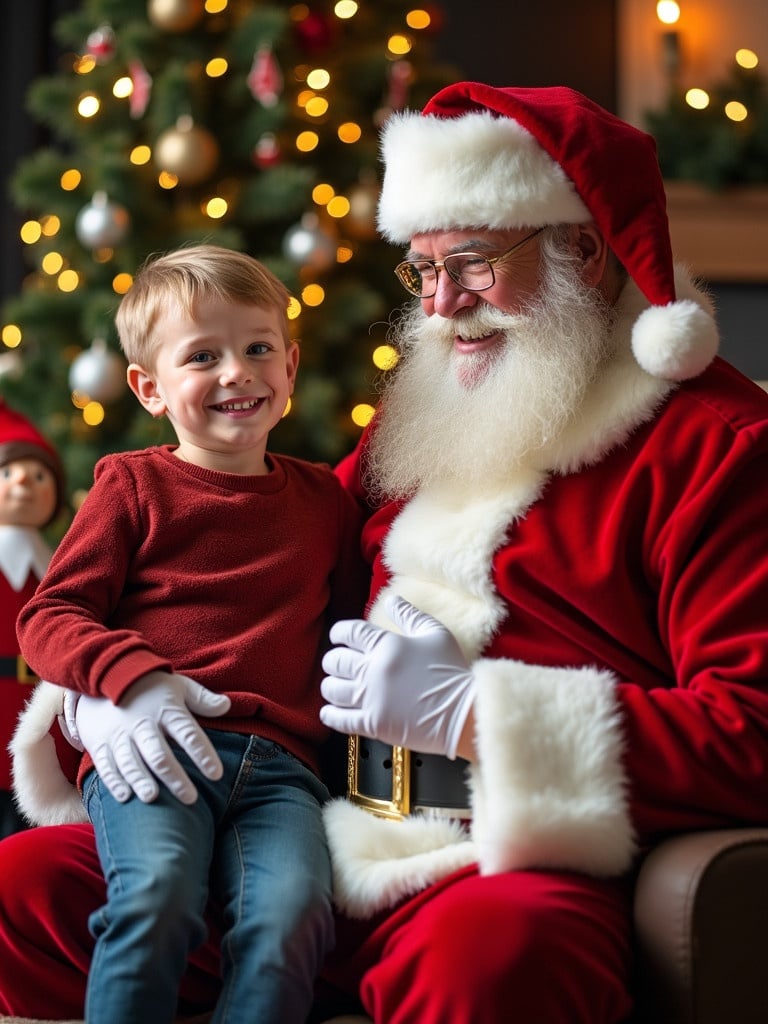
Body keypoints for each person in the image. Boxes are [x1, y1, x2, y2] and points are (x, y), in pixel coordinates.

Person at [3, 81, 768, 1024]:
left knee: (494, 960)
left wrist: (475, 718)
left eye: (475, 262)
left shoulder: (718, 448)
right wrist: (99, 695)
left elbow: (754, 732)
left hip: (495, 848)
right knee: (25, 889)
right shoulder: (420, 418)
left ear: (584, 249)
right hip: (307, 821)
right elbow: (246, 570)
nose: (443, 303)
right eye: (423, 268)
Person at [13, 244, 367, 1024]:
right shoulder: (133, 485)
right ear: (150, 389)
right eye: (202, 356)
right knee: (158, 896)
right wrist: (129, 678)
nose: (237, 371)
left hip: (283, 776)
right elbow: (48, 616)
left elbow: (348, 633)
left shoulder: (325, 502)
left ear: (291, 366)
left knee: (292, 918)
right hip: (157, 748)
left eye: (257, 348)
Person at [0, 400, 65, 837]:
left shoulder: (61, 568)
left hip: (38, 716)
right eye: (7, 473)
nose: (23, 480)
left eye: (39, 475)